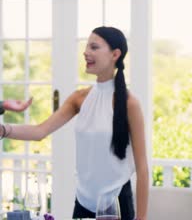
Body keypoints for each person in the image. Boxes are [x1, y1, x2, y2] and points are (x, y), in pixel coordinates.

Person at [0, 27, 149, 220]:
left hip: (117, 203)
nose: (86, 52)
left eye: (94, 47)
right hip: (83, 202)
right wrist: (4, 130)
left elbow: (142, 167)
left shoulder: (130, 104)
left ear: (115, 54)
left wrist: (142, 218)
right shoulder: (79, 98)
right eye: (86, 47)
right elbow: (39, 131)